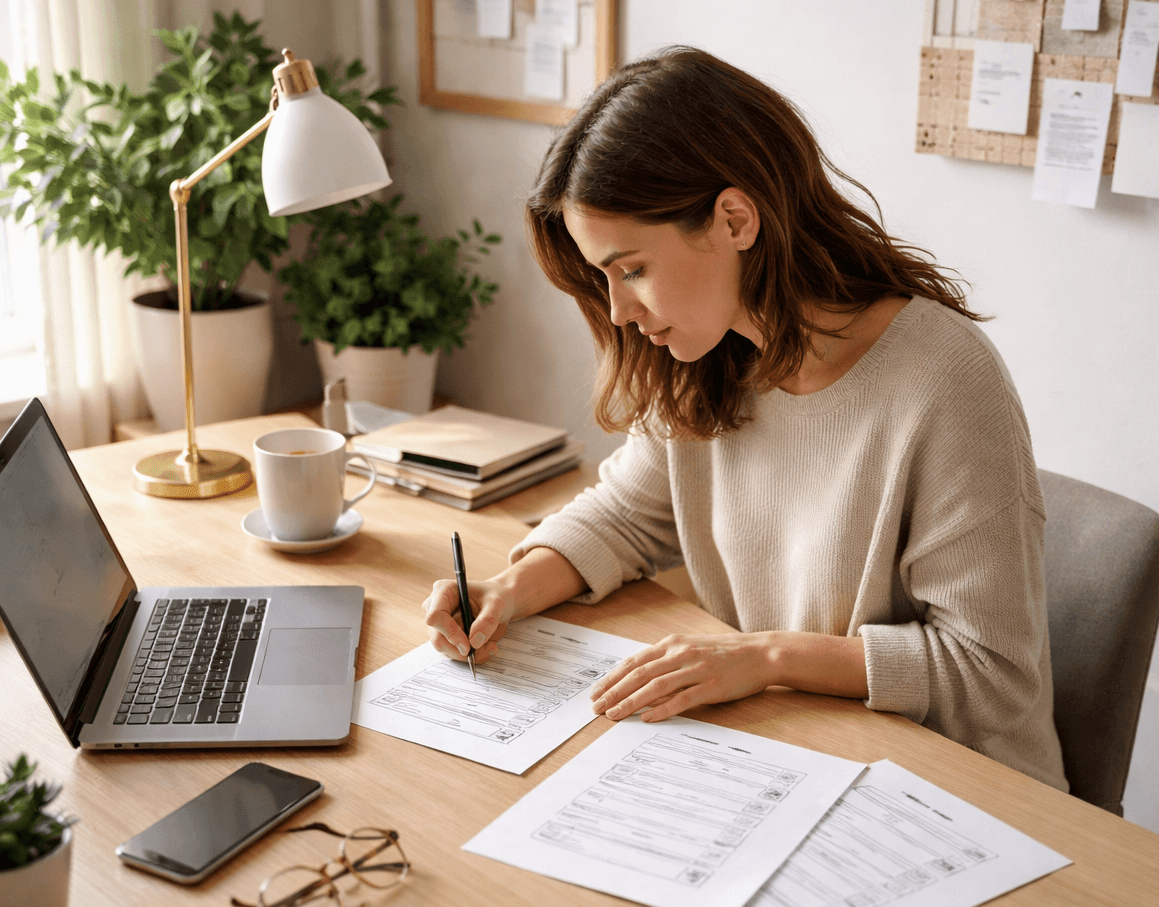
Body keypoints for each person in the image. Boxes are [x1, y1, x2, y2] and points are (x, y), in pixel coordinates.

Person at [422, 46, 1068, 791]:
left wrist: (764, 659)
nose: (618, 312)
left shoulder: (944, 380)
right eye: (603, 278)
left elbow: (989, 672)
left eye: (631, 269)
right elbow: (627, 517)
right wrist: (510, 590)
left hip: (962, 793)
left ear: (734, 219)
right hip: (798, 755)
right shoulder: (712, 361)